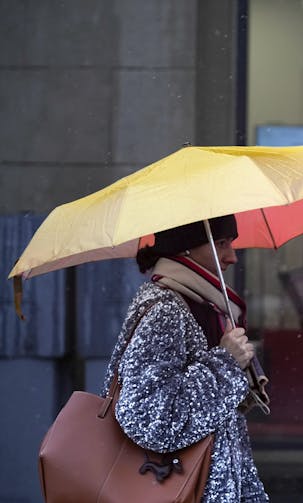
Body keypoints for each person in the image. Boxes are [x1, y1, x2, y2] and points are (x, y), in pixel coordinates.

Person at [102, 215, 269, 502]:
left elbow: (219, 423)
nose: (232, 257)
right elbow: (149, 418)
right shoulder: (165, 310)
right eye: (221, 243)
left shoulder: (206, 306)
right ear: (186, 247)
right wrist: (225, 363)